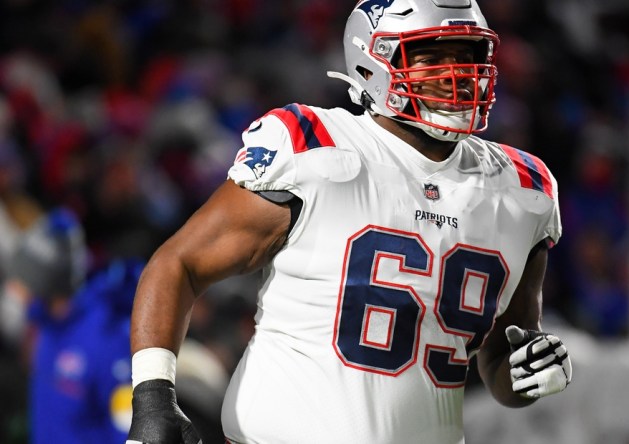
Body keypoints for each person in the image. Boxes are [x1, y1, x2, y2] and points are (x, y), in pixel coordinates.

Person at [126, 1, 573, 442]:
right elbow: (178, 263)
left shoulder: (523, 190)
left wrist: (529, 372)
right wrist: (152, 399)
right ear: (372, 63)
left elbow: (500, 359)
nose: (454, 72)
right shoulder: (315, 150)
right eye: (431, 56)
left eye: (466, 55)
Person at [6, 207, 144, 444]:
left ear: (45, 282)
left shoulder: (108, 338)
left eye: (22, 280)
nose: (12, 289)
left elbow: (129, 430)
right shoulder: (43, 322)